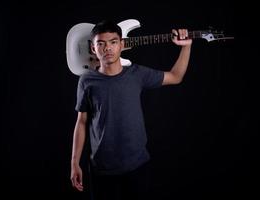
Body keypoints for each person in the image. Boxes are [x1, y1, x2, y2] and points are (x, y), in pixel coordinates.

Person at [70, 19, 192, 200]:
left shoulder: (137, 74)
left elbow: (176, 76)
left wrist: (186, 47)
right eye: (101, 44)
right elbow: (82, 121)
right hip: (102, 169)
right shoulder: (87, 81)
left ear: (122, 45)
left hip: (137, 166)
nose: (107, 48)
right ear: (93, 49)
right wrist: (74, 162)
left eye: (113, 42)